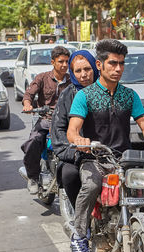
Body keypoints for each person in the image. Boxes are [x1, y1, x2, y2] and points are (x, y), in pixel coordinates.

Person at [66, 39, 144, 252]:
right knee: (92, 184)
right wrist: (80, 140)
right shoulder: (84, 96)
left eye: (122, 64)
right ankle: (79, 235)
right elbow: (73, 129)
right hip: (94, 157)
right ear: (99, 64)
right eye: (113, 63)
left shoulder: (130, 95)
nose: (118, 69)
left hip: (124, 159)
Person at [51, 50, 99, 211]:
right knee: (69, 175)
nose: (84, 75)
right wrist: (75, 150)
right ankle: (82, 219)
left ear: (96, 67)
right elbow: (58, 128)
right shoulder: (67, 95)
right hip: (76, 154)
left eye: (87, 69)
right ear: (72, 73)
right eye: (78, 71)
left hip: (106, 152)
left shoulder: (108, 91)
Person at [21, 46, 71, 194]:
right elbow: (28, 95)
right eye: (60, 61)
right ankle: (33, 177)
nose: (64, 65)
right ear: (53, 62)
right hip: (46, 120)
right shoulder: (42, 78)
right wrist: (28, 105)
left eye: (67, 62)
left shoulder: (71, 80)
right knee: (33, 142)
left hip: (67, 122)